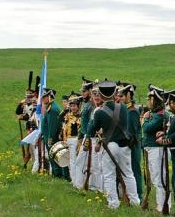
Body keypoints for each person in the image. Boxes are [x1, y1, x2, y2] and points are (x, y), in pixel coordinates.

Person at [86, 80, 140, 209]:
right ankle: (135, 201)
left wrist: (95, 119)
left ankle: (113, 204)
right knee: (128, 173)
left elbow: (90, 130)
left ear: (102, 95)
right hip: (125, 145)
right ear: (114, 93)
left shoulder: (99, 112)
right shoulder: (123, 107)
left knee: (109, 175)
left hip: (111, 145)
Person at [142, 84, 171, 212]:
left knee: (160, 179)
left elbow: (147, 128)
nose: (148, 101)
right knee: (155, 177)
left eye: (150, 99)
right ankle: (161, 205)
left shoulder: (160, 115)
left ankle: (163, 206)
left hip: (157, 149)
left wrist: (145, 119)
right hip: (151, 148)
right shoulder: (154, 113)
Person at [156, 88, 175, 213]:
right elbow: (173, 131)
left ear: (172, 102)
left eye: (169, 104)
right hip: (174, 152)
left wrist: (164, 139)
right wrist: (164, 133)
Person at [117, 82, 143, 201]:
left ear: (128, 96)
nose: (119, 98)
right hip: (125, 144)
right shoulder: (123, 109)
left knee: (134, 170)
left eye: (122, 96)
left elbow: (131, 133)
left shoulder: (132, 111)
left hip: (132, 145)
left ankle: (138, 195)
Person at [41, 87, 64, 178]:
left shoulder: (53, 109)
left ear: (50, 97)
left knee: (53, 157)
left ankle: (57, 175)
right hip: (48, 136)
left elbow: (53, 127)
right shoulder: (50, 107)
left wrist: (50, 139)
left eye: (44, 97)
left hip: (52, 138)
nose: (42, 99)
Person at [61, 92, 82, 186]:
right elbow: (64, 128)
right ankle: (73, 179)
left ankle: (76, 182)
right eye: (71, 105)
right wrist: (64, 140)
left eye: (75, 106)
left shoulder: (80, 117)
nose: (73, 108)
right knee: (70, 162)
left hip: (76, 140)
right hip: (68, 140)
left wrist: (79, 144)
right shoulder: (68, 116)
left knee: (75, 162)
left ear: (78, 106)